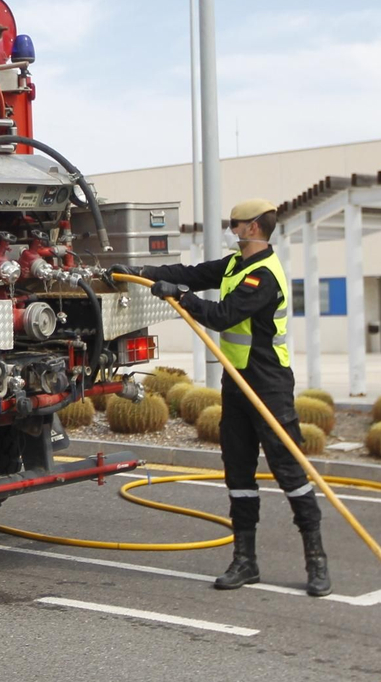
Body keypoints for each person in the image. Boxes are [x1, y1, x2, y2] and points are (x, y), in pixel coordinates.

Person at [112, 198, 331, 597]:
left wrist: (179, 296)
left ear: (253, 228)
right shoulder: (235, 265)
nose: (232, 229)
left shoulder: (263, 275)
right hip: (237, 381)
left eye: (236, 223)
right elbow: (190, 273)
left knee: (289, 471)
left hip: (268, 383)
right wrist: (140, 273)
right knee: (238, 470)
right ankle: (245, 561)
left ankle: (316, 561)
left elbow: (222, 316)